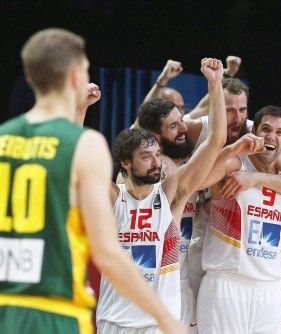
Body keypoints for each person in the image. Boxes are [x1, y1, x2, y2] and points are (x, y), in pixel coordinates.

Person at [0, 28, 184, 334]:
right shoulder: (86, 145)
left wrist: (81, 109)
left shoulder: (4, 138)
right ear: (74, 75)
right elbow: (106, 252)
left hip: (7, 306)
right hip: (57, 308)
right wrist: (164, 318)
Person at [96, 58, 231, 333]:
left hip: (160, 316)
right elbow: (77, 167)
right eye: (147, 157)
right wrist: (79, 109)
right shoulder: (115, 197)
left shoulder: (172, 191)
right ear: (126, 162)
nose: (156, 163)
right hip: (113, 319)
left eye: (157, 156)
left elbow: (216, 140)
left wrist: (216, 83)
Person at [196, 105, 281, 334]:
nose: (271, 136)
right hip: (227, 284)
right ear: (254, 131)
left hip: (270, 290)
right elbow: (197, 182)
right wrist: (232, 150)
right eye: (265, 129)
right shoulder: (235, 165)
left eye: (279, 132)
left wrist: (255, 178)